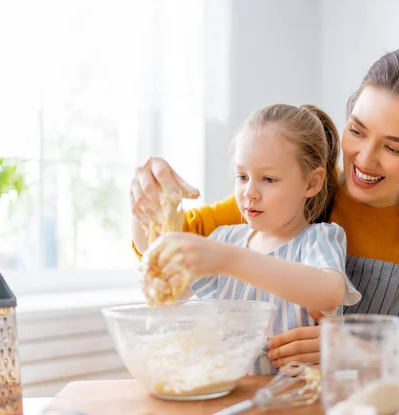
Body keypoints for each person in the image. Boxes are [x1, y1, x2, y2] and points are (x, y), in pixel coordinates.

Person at [130, 49, 399, 388]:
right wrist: (151, 195)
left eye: (392, 148)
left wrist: (353, 354)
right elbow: (166, 245)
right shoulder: (287, 193)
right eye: (357, 131)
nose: (363, 158)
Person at [139, 103, 361, 375]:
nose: (249, 192)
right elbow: (164, 276)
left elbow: (329, 294)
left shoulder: (318, 239)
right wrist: (143, 207)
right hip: (234, 397)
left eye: (268, 179)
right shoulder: (225, 239)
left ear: (311, 183)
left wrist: (229, 260)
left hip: (300, 401)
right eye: (242, 176)